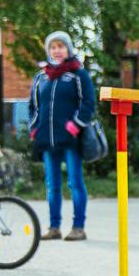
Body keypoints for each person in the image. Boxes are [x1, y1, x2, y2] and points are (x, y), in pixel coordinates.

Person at [28, 31, 94, 241]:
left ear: (68, 49)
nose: (57, 51)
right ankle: (54, 227)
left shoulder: (78, 74)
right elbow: (33, 106)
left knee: (75, 183)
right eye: (53, 47)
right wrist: (34, 128)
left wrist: (75, 125)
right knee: (52, 185)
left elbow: (88, 103)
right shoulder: (41, 77)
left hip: (70, 140)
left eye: (60, 46)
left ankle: (78, 227)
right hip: (47, 140)